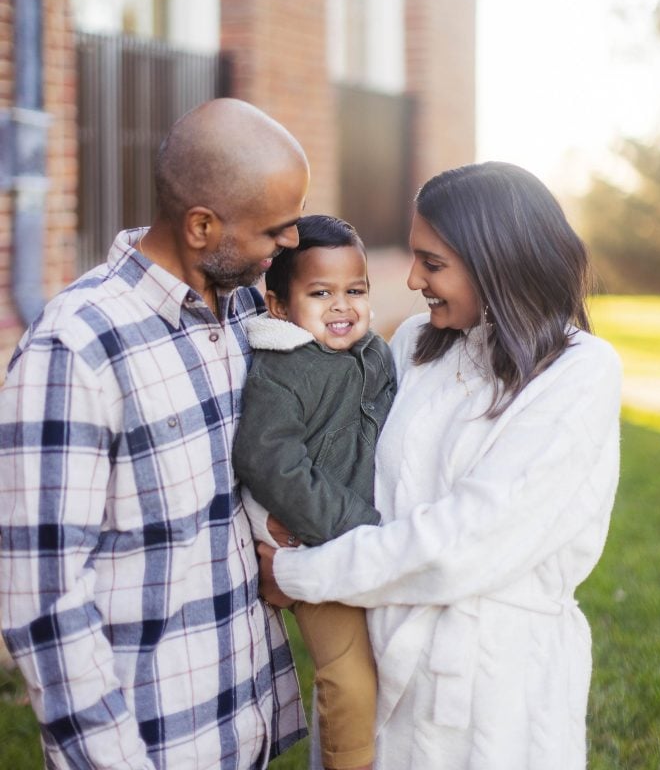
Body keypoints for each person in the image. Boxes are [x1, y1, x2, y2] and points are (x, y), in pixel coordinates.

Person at [258, 161, 622, 770]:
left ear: (494, 261)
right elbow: (350, 459)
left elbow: (466, 542)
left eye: (432, 263)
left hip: (487, 692)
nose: (412, 278)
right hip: (382, 653)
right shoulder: (417, 345)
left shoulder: (579, 371)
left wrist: (305, 572)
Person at [0, 98, 310, 770]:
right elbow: (41, 598)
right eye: (275, 232)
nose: (289, 246)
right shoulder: (75, 349)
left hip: (239, 728)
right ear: (202, 225)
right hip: (153, 747)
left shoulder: (244, 317)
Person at [233, 214, 396, 770]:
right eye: (320, 293)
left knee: (394, 662)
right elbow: (269, 463)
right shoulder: (281, 371)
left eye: (355, 291)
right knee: (348, 676)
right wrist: (360, 524)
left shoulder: (377, 356)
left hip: (374, 544)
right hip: (313, 546)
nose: (342, 307)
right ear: (278, 306)